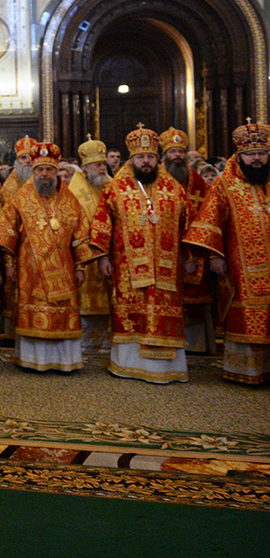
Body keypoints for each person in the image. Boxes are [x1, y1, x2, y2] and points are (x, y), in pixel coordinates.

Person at [89, 124, 194, 383]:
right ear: (132, 159)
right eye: (140, 157)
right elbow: (102, 223)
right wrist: (102, 256)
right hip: (126, 267)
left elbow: (189, 224)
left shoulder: (174, 188)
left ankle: (166, 369)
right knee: (130, 312)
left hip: (167, 267)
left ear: (157, 159)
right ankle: (128, 364)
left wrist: (191, 259)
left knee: (165, 310)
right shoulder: (115, 188)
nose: (145, 162)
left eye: (150, 157)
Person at [0, 143, 92, 372]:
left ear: (56, 172)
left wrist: (80, 267)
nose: (44, 174)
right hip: (30, 269)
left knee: (63, 314)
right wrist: (9, 264)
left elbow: (81, 235)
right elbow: (5, 233)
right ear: (34, 172)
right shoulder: (20, 199)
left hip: (65, 268)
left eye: (48, 170)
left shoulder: (70, 200)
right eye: (39, 170)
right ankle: (32, 358)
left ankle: (64, 361)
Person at [183, 121, 270, 384]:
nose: (256, 159)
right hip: (240, 265)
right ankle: (248, 370)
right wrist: (214, 256)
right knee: (245, 313)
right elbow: (209, 221)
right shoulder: (225, 185)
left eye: (261, 153)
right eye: (250, 154)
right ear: (239, 156)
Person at [160, 127, 215, 353]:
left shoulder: (200, 183)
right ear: (165, 155)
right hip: (163, 247)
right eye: (172, 152)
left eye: (181, 151)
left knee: (194, 298)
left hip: (192, 247)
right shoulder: (156, 179)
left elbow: (209, 215)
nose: (178, 156)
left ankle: (197, 346)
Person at [67, 135, 113, 351]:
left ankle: (107, 345)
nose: (102, 168)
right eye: (97, 165)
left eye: (103, 164)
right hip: (86, 258)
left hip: (112, 256)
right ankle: (84, 346)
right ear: (86, 168)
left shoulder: (112, 186)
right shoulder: (74, 192)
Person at [0, 136, 39, 334]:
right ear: (16, 162)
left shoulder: (44, 182)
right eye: (23, 158)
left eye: (30, 157)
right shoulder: (9, 188)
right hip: (15, 248)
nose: (27, 161)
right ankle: (13, 333)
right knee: (14, 289)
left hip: (41, 248)